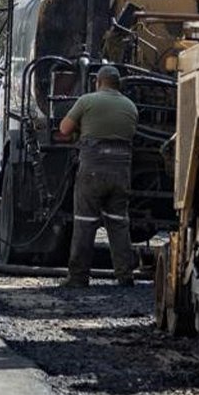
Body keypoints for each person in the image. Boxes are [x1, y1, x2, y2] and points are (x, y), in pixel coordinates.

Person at [58, 65, 139, 287]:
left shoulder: (87, 101)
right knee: (119, 223)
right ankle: (125, 276)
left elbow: (64, 129)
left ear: (98, 82)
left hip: (93, 169)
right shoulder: (130, 106)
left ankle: (78, 277)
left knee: (85, 222)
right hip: (121, 171)